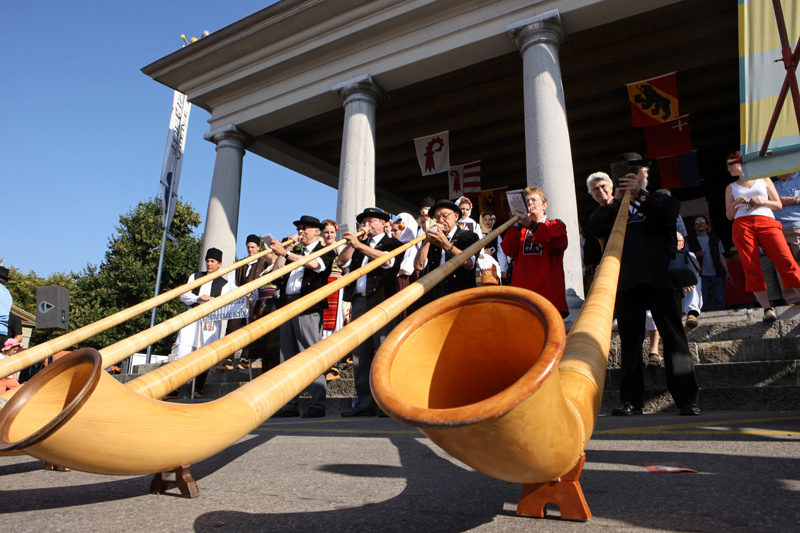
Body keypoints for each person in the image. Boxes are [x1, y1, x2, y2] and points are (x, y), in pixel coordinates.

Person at [588, 153, 700, 416]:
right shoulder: (612, 207)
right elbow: (596, 225)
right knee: (629, 342)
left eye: (636, 171)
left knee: (675, 339)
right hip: (627, 281)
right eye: (625, 173)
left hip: (662, 278)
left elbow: (669, 212)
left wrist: (640, 195)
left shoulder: (659, 199)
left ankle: (686, 399)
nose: (631, 176)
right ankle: (631, 400)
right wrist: (617, 200)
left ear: (645, 174)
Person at [338, 208, 402, 417]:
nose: (366, 225)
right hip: (359, 301)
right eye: (364, 221)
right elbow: (341, 262)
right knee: (360, 354)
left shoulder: (393, 243)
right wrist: (351, 244)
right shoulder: (359, 245)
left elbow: (387, 261)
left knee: (383, 349)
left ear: (384, 223)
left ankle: (385, 402)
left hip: (381, 301)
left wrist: (359, 245)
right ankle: (364, 404)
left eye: (371, 221)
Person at [269, 215, 335, 418]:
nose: (301, 232)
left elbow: (315, 265)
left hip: (308, 306)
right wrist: (285, 251)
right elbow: (278, 272)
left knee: (311, 353)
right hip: (288, 303)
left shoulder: (324, 250)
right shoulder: (294, 252)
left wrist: (288, 255)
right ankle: (290, 403)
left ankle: (317, 404)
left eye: (305, 228)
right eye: (299, 229)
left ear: (316, 231)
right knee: (287, 357)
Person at [725, 151, 800, 321]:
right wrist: (736, 204)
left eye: (731, 163)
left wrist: (762, 201)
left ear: (742, 163)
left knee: (786, 260)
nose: (728, 168)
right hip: (742, 224)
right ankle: (767, 309)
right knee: (751, 265)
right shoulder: (731, 187)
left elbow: (778, 204)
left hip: (766, 220)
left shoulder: (764, 179)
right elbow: (729, 216)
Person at [172, 247, 235, 398]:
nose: (209, 264)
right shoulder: (195, 276)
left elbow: (225, 302)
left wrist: (211, 300)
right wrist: (197, 298)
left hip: (210, 321)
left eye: (212, 261)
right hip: (192, 317)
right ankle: (174, 388)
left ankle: (198, 389)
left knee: (204, 354)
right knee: (183, 351)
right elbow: (184, 295)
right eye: (208, 261)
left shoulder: (224, 284)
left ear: (219, 264)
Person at [501, 187, 568, 317]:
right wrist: (518, 224)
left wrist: (532, 225)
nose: (530, 203)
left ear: (544, 205)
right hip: (523, 296)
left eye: (534, 199)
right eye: (526, 201)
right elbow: (508, 249)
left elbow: (556, 241)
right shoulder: (518, 229)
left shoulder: (555, 224)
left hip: (548, 295)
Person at [414, 199, 480, 301]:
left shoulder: (469, 236)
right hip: (435, 294)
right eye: (437, 217)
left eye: (445, 215)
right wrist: (427, 240)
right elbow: (418, 266)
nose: (441, 220)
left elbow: (469, 263)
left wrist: (446, 245)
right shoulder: (432, 240)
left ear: (456, 216)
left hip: (460, 293)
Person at [226, 234, 270, 369]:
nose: (250, 250)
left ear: (258, 248)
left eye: (252, 247)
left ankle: (245, 357)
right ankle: (228, 357)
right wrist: (240, 291)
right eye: (248, 247)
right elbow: (231, 282)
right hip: (238, 302)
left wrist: (252, 292)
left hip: (253, 301)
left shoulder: (263, 264)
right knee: (232, 328)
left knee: (249, 328)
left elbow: (265, 282)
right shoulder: (240, 264)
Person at [762, 171, 800, 304]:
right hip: (777, 228)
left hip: (797, 225)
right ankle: (794, 300)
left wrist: (794, 200)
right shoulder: (772, 184)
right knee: (783, 265)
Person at [686, 216, 733, 312]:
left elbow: (721, 257)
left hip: (716, 272)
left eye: (702, 222)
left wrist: (727, 272)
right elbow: (686, 258)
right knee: (703, 299)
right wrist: (696, 254)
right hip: (700, 274)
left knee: (720, 298)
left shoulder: (715, 239)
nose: (700, 224)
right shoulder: (690, 242)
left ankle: (723, 317)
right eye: (697, 223)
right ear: (694, 227)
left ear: (707, 226)